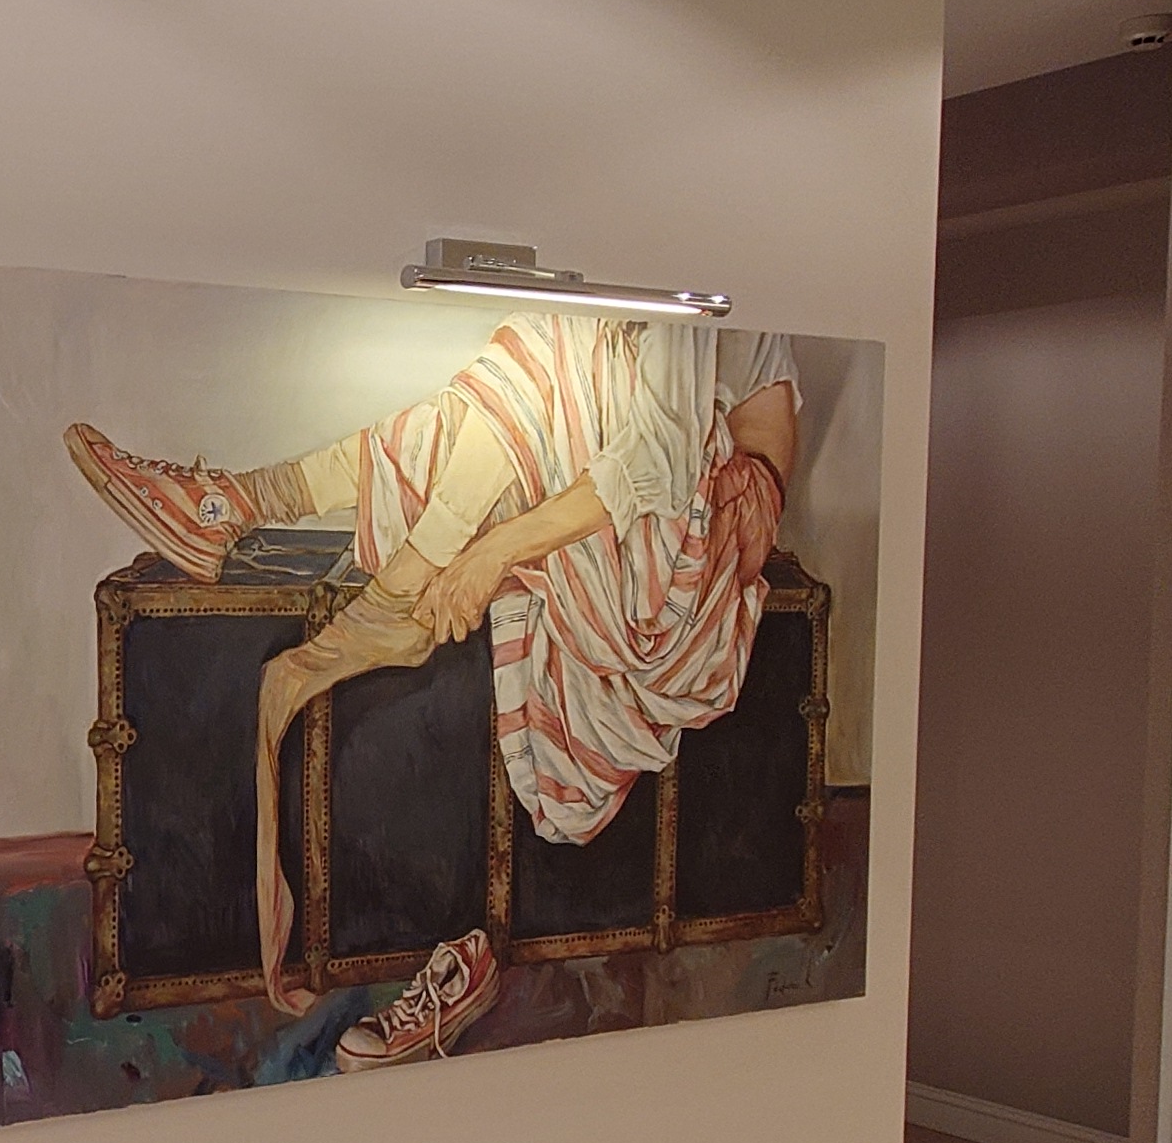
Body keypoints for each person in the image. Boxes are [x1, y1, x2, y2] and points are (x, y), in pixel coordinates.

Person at [67, 310, 800, 1069]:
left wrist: (489, 556)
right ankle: (240, 509)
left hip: (689, 583)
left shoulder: (683, 290)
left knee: (541, 349)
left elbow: (659, 464)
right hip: (659, 539)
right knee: (477, 414)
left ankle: (297, 541)